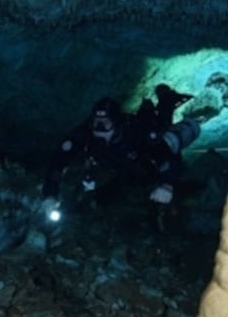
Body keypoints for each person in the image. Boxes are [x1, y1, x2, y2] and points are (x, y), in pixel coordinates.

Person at [41, 85, 198, 221]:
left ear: (116, 124)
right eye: (96, 123)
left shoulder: (135, 131)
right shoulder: (85, 133)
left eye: (105, 124)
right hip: (119, 166)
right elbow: (57, 162)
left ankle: (167, 101)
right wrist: (50, 195)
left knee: (162, 128)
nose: (99, 130)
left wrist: (167, 185)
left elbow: (167, 158)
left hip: (144, 160)